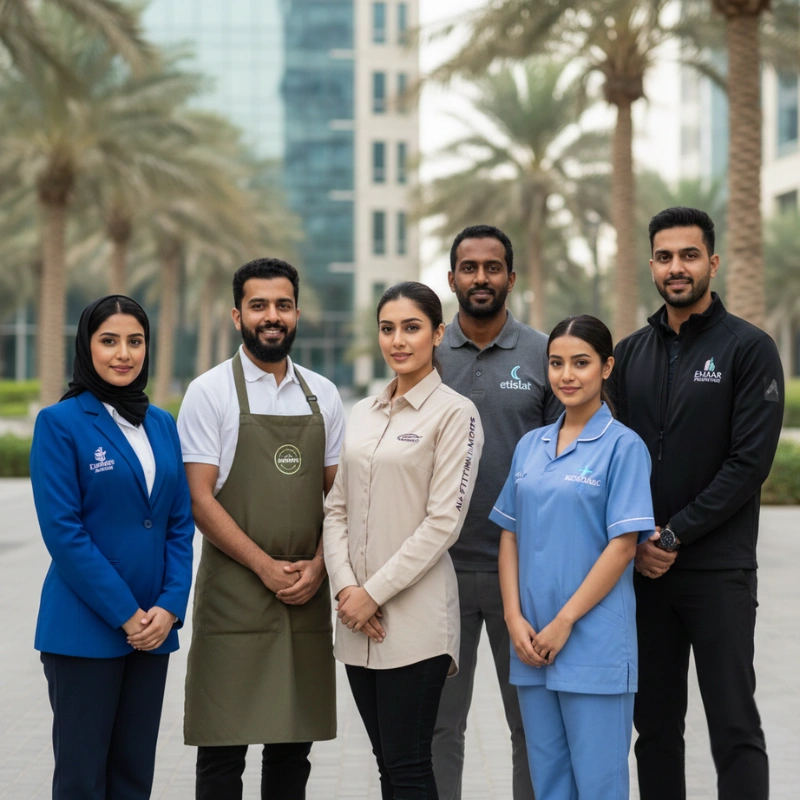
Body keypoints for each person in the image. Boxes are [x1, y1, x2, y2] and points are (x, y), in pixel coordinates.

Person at [607, 207, 784, 800]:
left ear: (712, 261)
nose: (676, 267)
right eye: (664, 257)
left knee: (734, 726)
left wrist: (673, 534)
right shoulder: (629, 354)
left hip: (718, 572)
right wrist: (637, 541)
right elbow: (613, 459)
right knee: (655, 730)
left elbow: (748, 465)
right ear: (651, 265)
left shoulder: (749, 349)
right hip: (646, 575)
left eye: (688, 255)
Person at [178, 257, 345, 800]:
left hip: (304, 594)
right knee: (222, 751)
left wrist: (320, 566)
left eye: (283, 305)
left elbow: (340, 498)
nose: (272, 316)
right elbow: (200, 500)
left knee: (292, 752)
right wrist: (264, 567)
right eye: (258, 306)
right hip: (234, 595)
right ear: (237, 316)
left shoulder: (323, 394)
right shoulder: (209, 392)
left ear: (297, 313)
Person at [324, 281, 484, 800]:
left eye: (411, 328)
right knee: (386, 765)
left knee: (410, 766)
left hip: (415, 622)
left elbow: (443, 523)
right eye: (387, 328)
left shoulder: (456, 414)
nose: (398, 340)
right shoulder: (363, 413)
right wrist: (347, 590)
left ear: (438, 333)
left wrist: (373, 593)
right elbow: (336, 508)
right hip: (357, 619)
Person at [30, 295, 195, 800]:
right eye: (109, 341)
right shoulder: (60, 423)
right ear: (87, 346)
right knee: (82, 781)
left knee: (132, 778)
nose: (124, 353)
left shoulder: (162, 423)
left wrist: (170, 606)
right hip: (85, 630)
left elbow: (178, 524)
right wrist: (127, 614)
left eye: (135, 341)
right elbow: (64, 532)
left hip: (154, 631)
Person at [492, 314, 655, 799]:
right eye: (556, 363)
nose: (567, 375)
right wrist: (512, 618)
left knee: (599, 787)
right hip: (531, 644)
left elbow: (623, 546)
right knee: (549, 787)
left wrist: (564, 621)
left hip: (593, 646)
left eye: (581, 363)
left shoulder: (623, 447)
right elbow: (509, 535)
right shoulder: (530, 446)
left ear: (607, 367)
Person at [434, 224, 561, 800]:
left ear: (511, 277)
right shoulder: (428, 353)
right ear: (452, 277)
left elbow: (567, 457)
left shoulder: (543, 353)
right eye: (469, 267)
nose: (480, 278)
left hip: (525, 575)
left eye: (492, 268)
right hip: (440, 573)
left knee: (532, 729)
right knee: (439, 728)